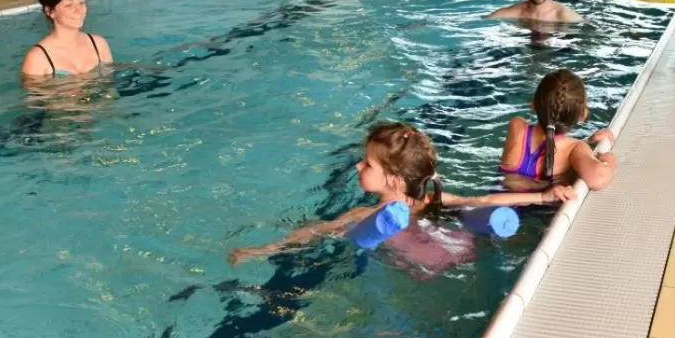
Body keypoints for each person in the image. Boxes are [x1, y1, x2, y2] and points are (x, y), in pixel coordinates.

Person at [229, 122, 573, 265]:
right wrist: (543, 197)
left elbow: (312, 232)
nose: (357, 168)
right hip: (461, 249)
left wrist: (260, 250)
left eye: (366, 164)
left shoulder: (360, 217)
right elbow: (486, 200)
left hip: (422, 269)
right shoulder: (431, 200)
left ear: (393, 179)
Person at [499, 69, 616, 191]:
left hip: (498, 206)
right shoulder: (574, 149)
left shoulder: (517, 127)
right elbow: (598, 179)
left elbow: (549, 145)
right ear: (583, 114)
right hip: (544, 209)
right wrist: (608, 160)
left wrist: (589, 141)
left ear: (533, 104)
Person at [21, 0, 113, 78]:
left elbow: (111, 88)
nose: (79, 10)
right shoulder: (37, 58)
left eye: (81, 2)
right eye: (69, 5)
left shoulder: (98, 45)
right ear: (50, 11)